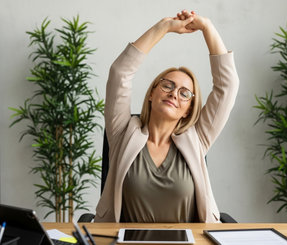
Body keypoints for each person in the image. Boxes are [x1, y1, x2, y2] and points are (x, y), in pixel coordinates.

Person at [95, 10, 239, 223]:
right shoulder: (123, 132)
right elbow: (120, 73)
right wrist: (162, 28)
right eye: (167, 85)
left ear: (188, 109)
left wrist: (207, 27)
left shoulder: (198, 138)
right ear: (152, 93)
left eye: (184, 93)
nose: (174, 93)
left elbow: (227, 86)